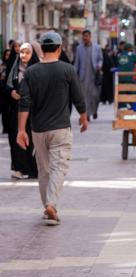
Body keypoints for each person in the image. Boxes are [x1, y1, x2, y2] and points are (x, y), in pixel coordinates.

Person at [17, 31, 88, 226]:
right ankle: (51, 203)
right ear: (59, 48)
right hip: (60, 128)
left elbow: (24, 103)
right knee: (59, 167)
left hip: (38, 129)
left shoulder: (31, 72)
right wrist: (83, 116)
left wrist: (21, 130)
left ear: (42, 48)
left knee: (44, 170)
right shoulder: (67, 69)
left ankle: (47, 207)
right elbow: (77, 96)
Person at [6, 43, 39, 179]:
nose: (23, 55)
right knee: (16, 139)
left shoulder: (36, 70)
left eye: (27, 52)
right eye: (21, 52)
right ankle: (20, 168)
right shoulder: (15, 70)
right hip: (16, 111)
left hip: (32, 112)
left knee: (32, 140)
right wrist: (11, 92)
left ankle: (34, 169)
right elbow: (6, 86)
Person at [74, 30, 102, 120]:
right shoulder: (79, 48)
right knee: (84, 96)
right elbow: (77, 62)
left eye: (86, 36)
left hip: (94, 76)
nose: (84, 38)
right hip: (83, 77)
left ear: (90, 37)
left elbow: (100, 59)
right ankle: (87, 114)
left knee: (95, 96)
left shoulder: (97, 48)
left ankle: (94, 111)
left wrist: (99, 65)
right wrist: (74, 74)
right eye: (83, 36)